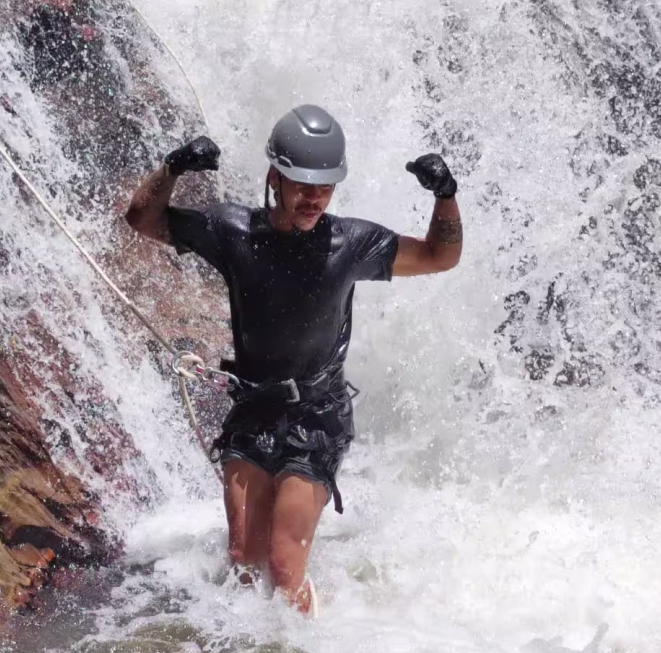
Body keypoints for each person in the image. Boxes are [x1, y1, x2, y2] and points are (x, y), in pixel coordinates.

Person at [125, 105, 462, 614]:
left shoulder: (351, 244)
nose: (313, 198)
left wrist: (445, 195)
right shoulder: (232, 231)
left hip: (317, 417)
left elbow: (441, 255)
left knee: (283, 569)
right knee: (242, 562)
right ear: (274, 178)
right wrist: (173, 168)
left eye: (324, 188)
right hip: (254, 409)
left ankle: (310, 640)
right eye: (302, 185)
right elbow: (142, 219)